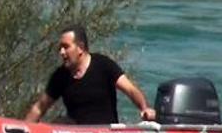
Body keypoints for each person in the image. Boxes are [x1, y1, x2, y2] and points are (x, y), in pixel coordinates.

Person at [24, 24, 156, 125]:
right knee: (59, 122)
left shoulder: (104, 65)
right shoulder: (60, 76)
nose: (62, 52)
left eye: (66, 47)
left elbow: (131, 90)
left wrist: (144, 108)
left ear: (80, 47)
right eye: (60, 48)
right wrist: (24, 130)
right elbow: (39, 108)